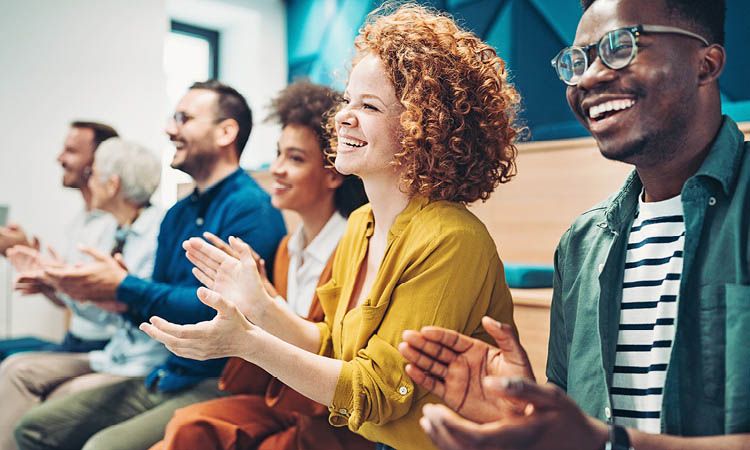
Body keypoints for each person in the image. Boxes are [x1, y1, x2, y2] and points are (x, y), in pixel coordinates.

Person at [141, 5, 521, 450]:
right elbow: (331, 346)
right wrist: (261, 305)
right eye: (348, 101)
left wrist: (248, 343)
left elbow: (378, 393)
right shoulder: (362, 224)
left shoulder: (451, 239)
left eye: (369, 106)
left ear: (425, 127)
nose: (344, 117)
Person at [399, 0, 750, 449]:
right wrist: (527, 413)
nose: (588, 78)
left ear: (706, 63)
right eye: (577, 62)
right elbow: (575, 426)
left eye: (620, 46)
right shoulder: (582, 244)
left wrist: (607, 441)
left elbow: (595, 439)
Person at [14, 81, 287, 450]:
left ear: (226, 132)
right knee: (34, 428)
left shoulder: (252, 208)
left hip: (212, 381)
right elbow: (156, 309)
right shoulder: (178, 214)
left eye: (183, 118)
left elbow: (216, 310)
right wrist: (113, 299)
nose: (169, 129)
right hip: (167, 373)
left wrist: (123, 287)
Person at [151, 80, 371, 450]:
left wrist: (264, 304)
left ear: (334, 173)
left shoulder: (354, 249)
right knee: (187, 428)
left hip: (328, 410)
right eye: (279, 154)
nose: (278, 170)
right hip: (283, 395)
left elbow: (337, 359)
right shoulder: (288, 247)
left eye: (295, 158)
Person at [0, 138, 167, 450]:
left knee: (58, 399)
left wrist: (76, 289)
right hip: (113, 354)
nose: (91, 181)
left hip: (142, 362)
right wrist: (60, 287)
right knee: (15, 366)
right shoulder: (111, 230)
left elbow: (136, 307)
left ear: (112, 184)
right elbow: (104, 309)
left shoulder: (160, 234)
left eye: (95, 173)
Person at [0, 121, 119, 360]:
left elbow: (95, 301)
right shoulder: (80, 221)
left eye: (71, 151)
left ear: (97, 162)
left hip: (100, 345)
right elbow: (65, 299)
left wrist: (46, 272)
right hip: (74, 340)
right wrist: (33, 265)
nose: (59, 158)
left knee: (12, 363)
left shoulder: (116, 225)